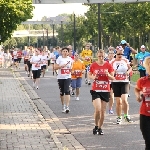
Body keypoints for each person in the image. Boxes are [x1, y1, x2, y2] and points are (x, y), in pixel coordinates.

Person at [88, 49, 114, 135]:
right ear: (97, 56)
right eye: (99, 56)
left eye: (102, 56)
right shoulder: (93, 65)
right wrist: (93, 77)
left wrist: (108, 75)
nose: (101, 58)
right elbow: (89, 74)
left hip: (105, 90)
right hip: (96, 90)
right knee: (98, 109)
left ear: (104, 56)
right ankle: (96, 125)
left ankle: (100, 128)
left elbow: (113, 78)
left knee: (103, 111)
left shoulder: (108, 65)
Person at [110, 46, 133, 124]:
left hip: (124, 82)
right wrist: (113, 72)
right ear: (116, 53)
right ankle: (119, 117)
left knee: (124, 100)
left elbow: (130, 68)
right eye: (119, 54)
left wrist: (127, 72)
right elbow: (109, 71)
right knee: (118, 101)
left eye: (121, 54)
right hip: (116, 82)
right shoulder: (112, 62)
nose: (120, 55)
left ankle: (126, 115)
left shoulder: (125, 60)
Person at [134, 56, 150, 150]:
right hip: (145, 115)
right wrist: (138, 96)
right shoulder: (142, 81)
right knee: (148, 142)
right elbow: (137, 89)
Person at [54, 47, 73, 113]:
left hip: (68, 77)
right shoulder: (59, 59)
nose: (65, 52)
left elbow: (71, 67)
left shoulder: (70, 59)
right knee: (62, 92)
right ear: (61, 52)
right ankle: (63, 105)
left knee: (67, 91)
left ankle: (67, 106)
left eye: (66, 51)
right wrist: (60, 66)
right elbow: (55, 67)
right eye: (64, 51)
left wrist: (71, 70)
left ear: (68, 52)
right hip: (60, 77)